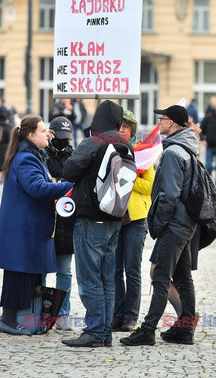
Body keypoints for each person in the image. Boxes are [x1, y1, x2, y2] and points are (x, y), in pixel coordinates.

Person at [120, 105, 198, 347]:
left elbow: (169, 195)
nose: (160, 123)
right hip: (186, 223)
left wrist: (160, 223)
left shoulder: (174, 152)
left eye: (163, 119)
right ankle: (185, 330)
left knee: (161, 277)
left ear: (172, 123)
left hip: (174, 224)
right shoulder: (188, 147)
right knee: (184, 278)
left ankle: (147, 329)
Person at [0, 114, 73, 335]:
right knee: (18, 276)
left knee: (28, 276)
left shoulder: (33, 155)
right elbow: (37, 188)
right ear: (31, 135)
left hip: (28, 229)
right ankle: (8, 321)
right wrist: (68, 186)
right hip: (23, 230)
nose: (48, 133)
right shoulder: (26, 158)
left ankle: (22, 319)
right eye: (43, 130)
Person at [62, 100, 134, 348]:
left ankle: (94, 331)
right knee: (107, 279)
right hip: (115, 219)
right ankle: (104, 333)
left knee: (89, 278)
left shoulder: (94, 142)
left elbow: (69, 171)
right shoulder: (126, 144)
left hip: (91, 219)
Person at [112, 110, 154, 333]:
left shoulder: (143, 153)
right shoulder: (110, 150)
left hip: (136, 219)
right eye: (119, 127)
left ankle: (131, 316)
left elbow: (149, 186)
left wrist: (128, 178)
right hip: (114, 216)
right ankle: (117, 314)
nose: (121, 131)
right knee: (114, 270)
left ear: (132, 130)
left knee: (132, 269)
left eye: (125, 127)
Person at [44, 116, 75, 330]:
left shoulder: (73, 156)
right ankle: (41, 312)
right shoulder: (42, 154)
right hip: (46, 218)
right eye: (59, 138)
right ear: (50, 134)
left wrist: (60, 183)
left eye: (66, 138)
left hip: (66, 220)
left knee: (64, 270)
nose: (63, 142)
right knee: (42, 270)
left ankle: (63, 314)